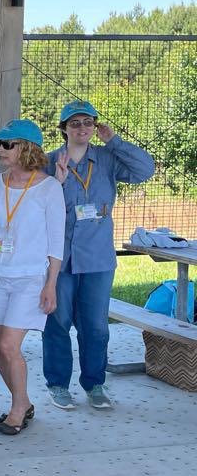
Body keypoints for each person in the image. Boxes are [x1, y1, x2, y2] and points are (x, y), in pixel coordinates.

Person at [43, 101, 155, 410]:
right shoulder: (50, 162)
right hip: (59, 257)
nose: (82, 128)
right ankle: (57, 384)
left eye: (87, 122)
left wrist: (114, 141)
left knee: (95, 326)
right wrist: (57, 181)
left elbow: (146, 169)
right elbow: (36, 203)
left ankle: (94, 385)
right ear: (63, 128)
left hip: (97, 257)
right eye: (75, 123)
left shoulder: (107, 158)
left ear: (95, 126)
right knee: (58, 321)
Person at [0, 120, 65, 435]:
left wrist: (50, 284)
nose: (0, 150)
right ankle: (22, 402)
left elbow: (56, 243)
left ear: (26, 148)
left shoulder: (49, 188)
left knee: (10, 346)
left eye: (7, 144)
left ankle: (17, 410)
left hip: (29, 278)